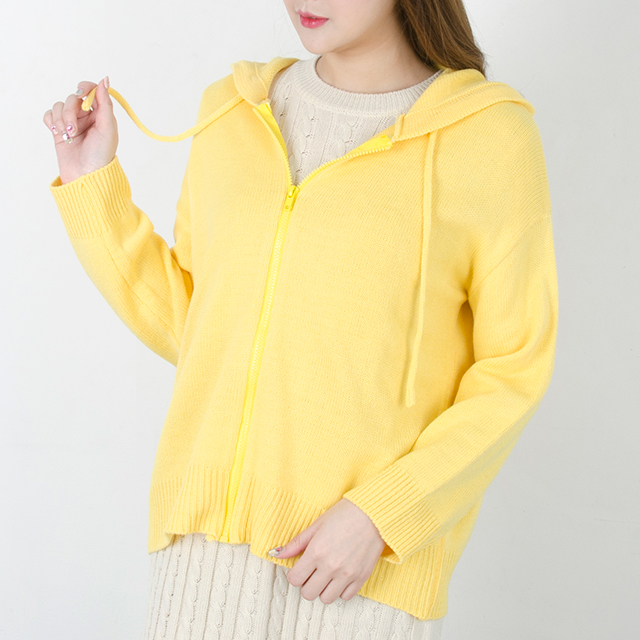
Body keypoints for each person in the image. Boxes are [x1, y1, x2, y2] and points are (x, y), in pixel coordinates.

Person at [43, 1, 558, 638]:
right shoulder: (230, 111)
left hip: (359, 572)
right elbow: (200, 327)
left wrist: (384, 516)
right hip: (199, 562)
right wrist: (91, 183)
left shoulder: (489, 139)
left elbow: (514, 370)